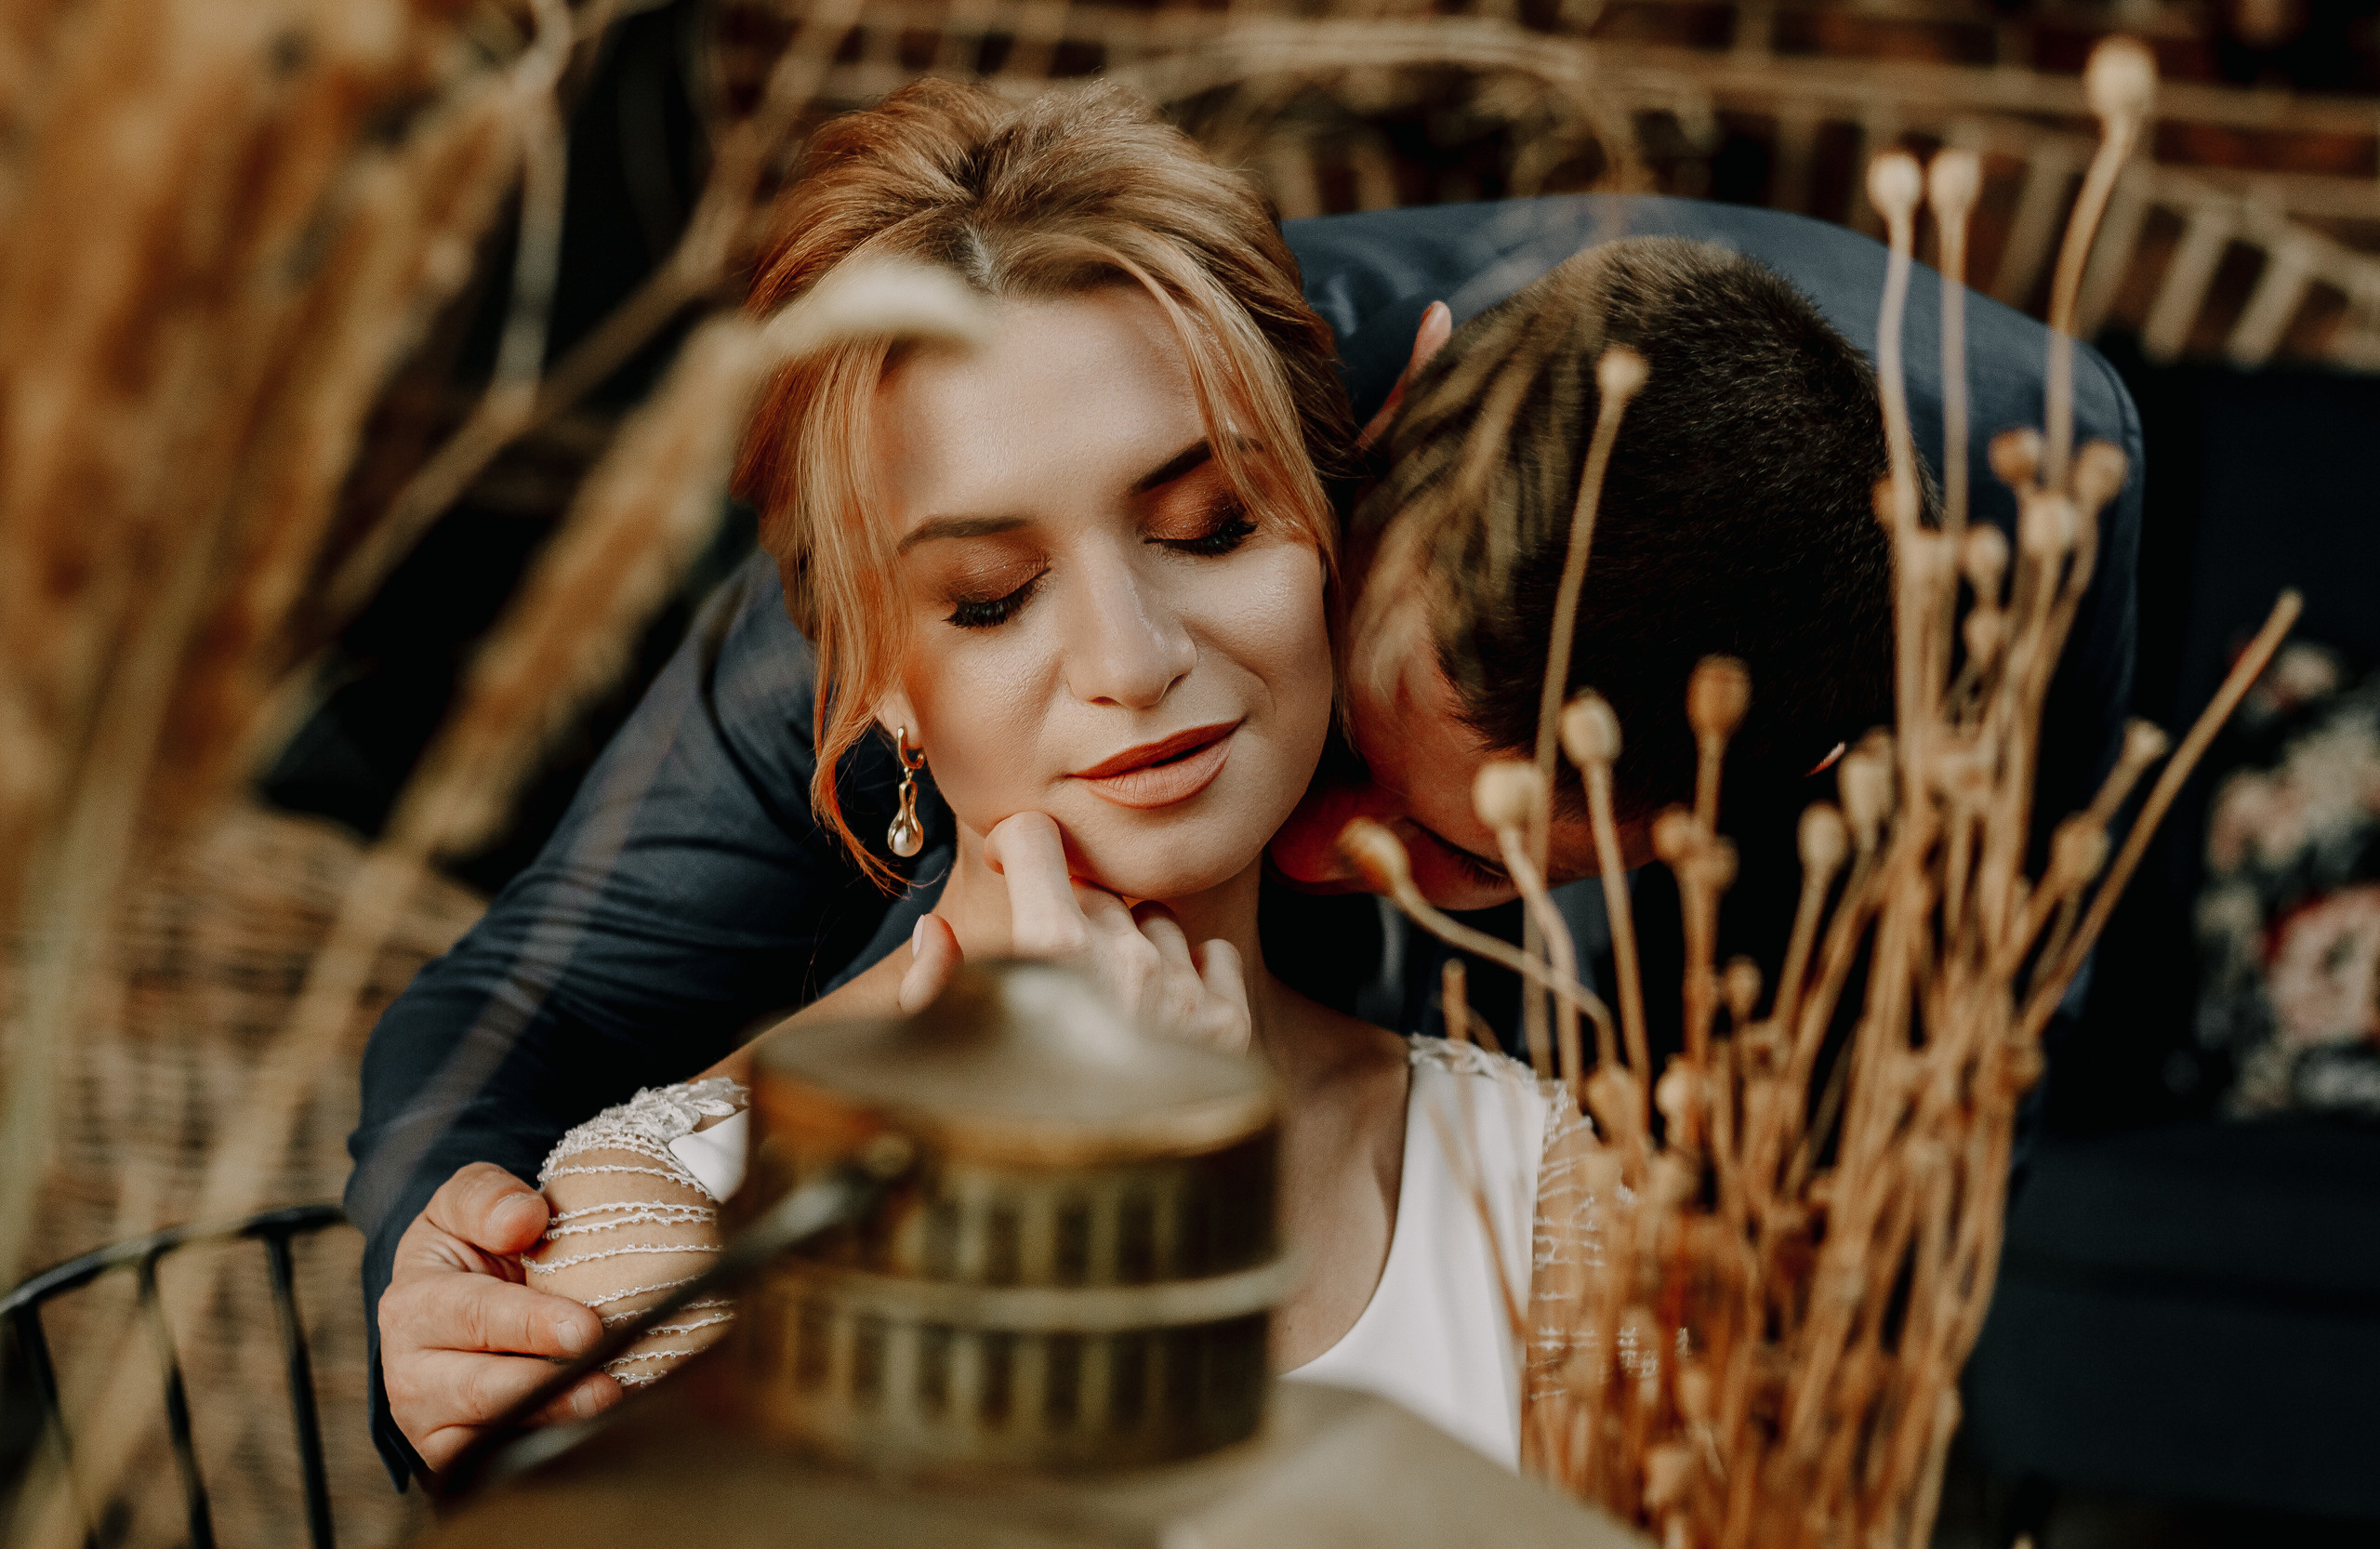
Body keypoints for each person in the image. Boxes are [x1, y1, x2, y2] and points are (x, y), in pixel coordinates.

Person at [353, 117, 2142, 1483]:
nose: (1133, 668)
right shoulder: (962, 436)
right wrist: (448, 1313)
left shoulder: (2001, 530)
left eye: (1464, 854)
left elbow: (1924, 1107)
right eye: (991, 599)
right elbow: (539, 1002)